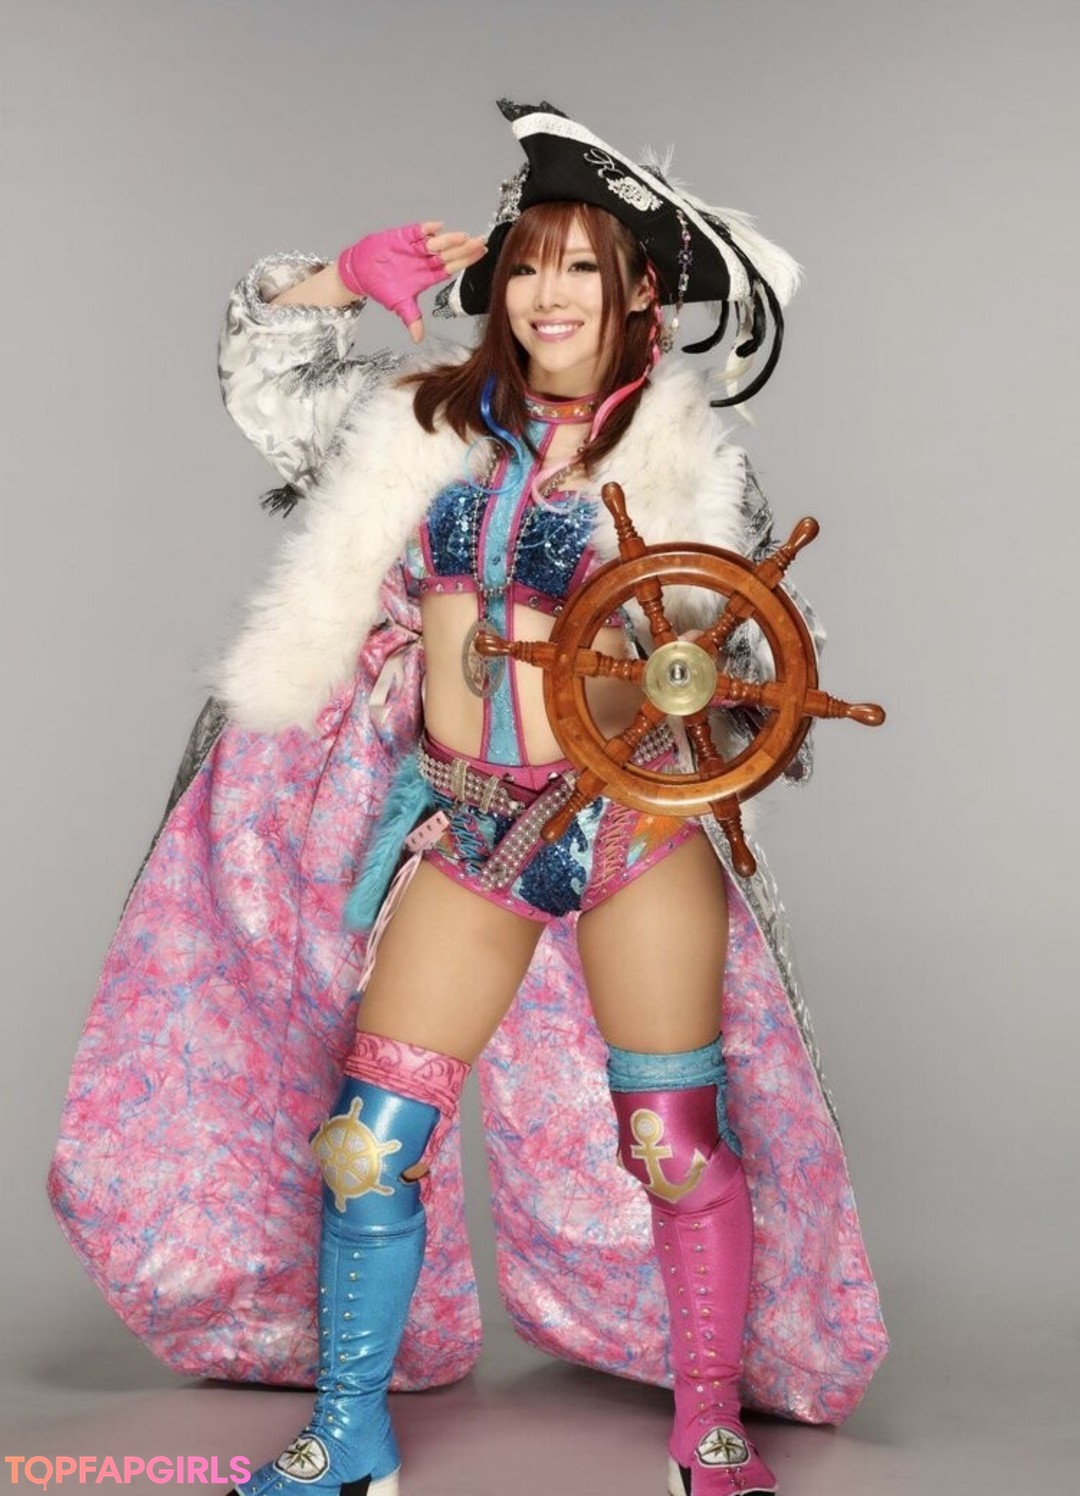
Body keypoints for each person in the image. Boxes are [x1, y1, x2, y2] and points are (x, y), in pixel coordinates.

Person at [49, 102, 887, 1496]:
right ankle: (349, 1434)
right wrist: (336, 278)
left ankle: (709, 1427)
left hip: (632, 834)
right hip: (473, 826)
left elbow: (755, 667)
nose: (549, 293)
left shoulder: (695, 461)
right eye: (526, 263)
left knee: (675, 1146)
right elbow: (264, 376)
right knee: (365, 1145)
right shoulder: (420, 422)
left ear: (641, 290)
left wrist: (716, 697)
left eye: (582, 265)